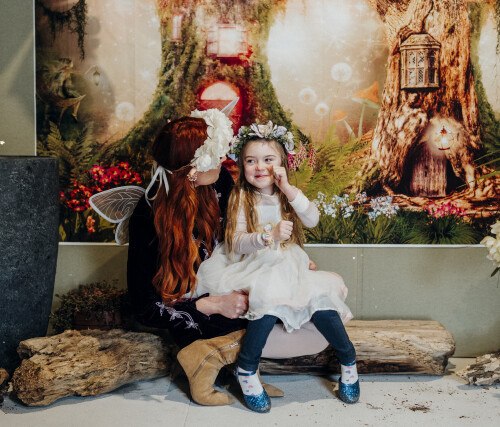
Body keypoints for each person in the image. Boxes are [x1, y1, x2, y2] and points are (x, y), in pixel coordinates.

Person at [124, 110, 329, 407]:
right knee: (296, 329)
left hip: (236, 281)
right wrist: (213, 304)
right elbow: (144, 305)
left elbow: (242, 239)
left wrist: (288, 262)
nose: (224, 160)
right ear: (192, 171)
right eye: (216, 156)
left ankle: (233, 363)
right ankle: (213, 358)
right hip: (196, 311)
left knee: (317, 320)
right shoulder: (148, 217)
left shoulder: (217, 182)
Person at [194, 121, 360, 412]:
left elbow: (312, 219)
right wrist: (267, 237)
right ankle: (247, 368)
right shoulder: (241, 196)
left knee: (320, 295)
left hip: (288, 261)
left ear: (282, 164)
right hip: (253, 262)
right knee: (267, 294)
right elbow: (236, 242)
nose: (260, 167)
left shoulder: (287, 194)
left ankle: (348, 360)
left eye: (268, 160)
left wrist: (288, 189)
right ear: (242, 165)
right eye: (251, 161)